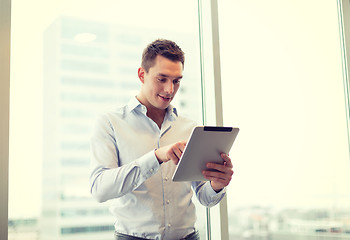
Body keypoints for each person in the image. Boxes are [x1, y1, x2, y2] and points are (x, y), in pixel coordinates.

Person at [89, 39, 234, 240]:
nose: (169, 90)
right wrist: (156, 157)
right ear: (142, 74)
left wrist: (217, 185)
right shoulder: (110, 123)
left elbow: (204, 196)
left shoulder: (190, 128)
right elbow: (99, 189)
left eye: (176, 80)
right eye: (162, 79)